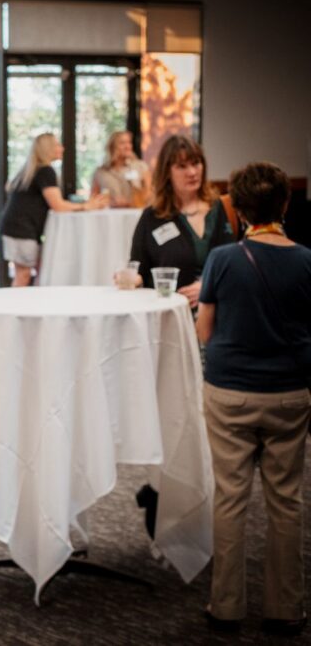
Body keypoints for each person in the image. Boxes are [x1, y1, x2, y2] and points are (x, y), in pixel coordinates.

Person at [196, 162, 311, 637]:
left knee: (231, 498)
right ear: (285, 205)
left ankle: (225, 607)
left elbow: (205, 330)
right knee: (286, 500)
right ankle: (285, 610)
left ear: (238, 211)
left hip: (230, 394)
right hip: (289, 394)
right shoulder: (307, 259)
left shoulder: (222, 260)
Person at [121, 135, 235, 307]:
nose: (192, 172)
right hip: (170, 311)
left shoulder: (217, 207)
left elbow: (230, 262)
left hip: (216, 310)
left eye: (196, 163)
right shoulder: (152, 217)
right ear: (167, 172)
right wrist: (128, 278)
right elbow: (139, 269)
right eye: (182, 166)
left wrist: (206, 287)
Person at [0, 133, 109, 287]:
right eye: (57, 145)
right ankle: (14, 310)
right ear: (48, 149)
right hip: (22, 230)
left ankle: (28, 307)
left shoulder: (31, 170)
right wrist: (86, 206)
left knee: (34, 271)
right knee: (23, 275)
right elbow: (58, 205)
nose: (62, 148)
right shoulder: (45, 171)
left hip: (16, 228)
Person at [90, 130, 151, 208]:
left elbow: (150, 194)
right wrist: (110, 202)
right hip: (111, 217)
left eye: (129, 143)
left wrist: (130, 202)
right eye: (122, 143)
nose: (128, 147)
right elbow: (93, 200)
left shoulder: (141, 167)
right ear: (112, 146)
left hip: (136, 214)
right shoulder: (100, 172)